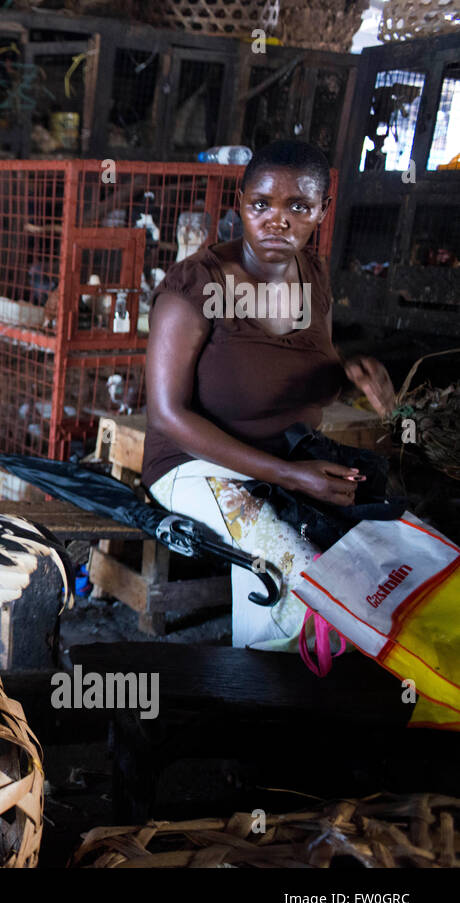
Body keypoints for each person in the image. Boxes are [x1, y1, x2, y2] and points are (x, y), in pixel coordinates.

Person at [142, 140, 397, 652]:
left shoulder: (315, 279)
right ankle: (257, 703)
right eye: (262, 204)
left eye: (298, 207)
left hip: (288, 454)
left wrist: (350, 375)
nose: (276, 221)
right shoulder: (195, 285)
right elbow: (168, 416)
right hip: (194, 464)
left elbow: (314, 366)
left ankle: (316, 696)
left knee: (386, 542)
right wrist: (287, 474)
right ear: (241, 204)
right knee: (299, 578)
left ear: (322, 211)